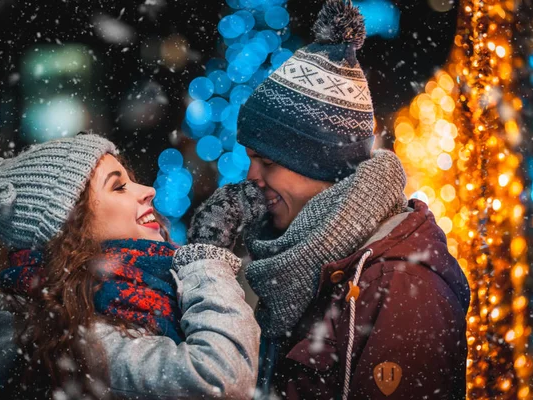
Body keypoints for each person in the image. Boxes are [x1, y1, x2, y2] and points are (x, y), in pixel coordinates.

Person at [186, 1, 471, 399]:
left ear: (324, 168)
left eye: (267, 162)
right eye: (251, 158)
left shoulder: (399, 287)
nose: (251, 177)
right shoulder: (287, 258)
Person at [0, 133, 262, 399]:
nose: (148, 190)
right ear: (71, 226)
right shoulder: (78, 338)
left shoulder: (145, 287)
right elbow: (221, 378)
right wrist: (207, 260)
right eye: (118, 186)